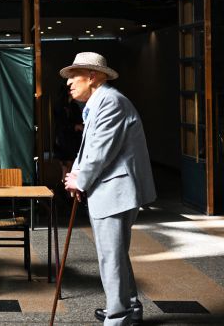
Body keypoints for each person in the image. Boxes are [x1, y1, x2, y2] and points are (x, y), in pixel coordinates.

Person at [62, 52, 156, 326]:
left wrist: (79, 180)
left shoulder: (111, 102)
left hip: (116, 192)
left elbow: (101, 151)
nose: (68, 83)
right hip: (110, 190)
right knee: (115, 254)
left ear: (92, 76)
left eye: (73, 76)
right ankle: (130, 308)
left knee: (110, 257)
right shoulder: (98, 102)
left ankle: (117, 317)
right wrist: (77, 174)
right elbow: (88, 148)